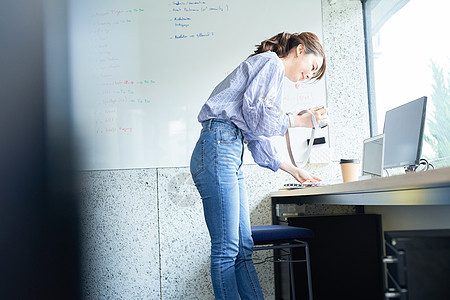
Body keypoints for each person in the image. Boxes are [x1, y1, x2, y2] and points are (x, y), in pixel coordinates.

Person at [190, 32, 327, 299]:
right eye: (312, 68)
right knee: (227, 249)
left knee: (242, 247)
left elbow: (256, 136)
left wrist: (294, 171)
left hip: (228, 149)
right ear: (299, 50)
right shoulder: (271, 63)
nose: (308, 76)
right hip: (218, 147)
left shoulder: (271, 73)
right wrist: (298, 121)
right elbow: (258, 119)